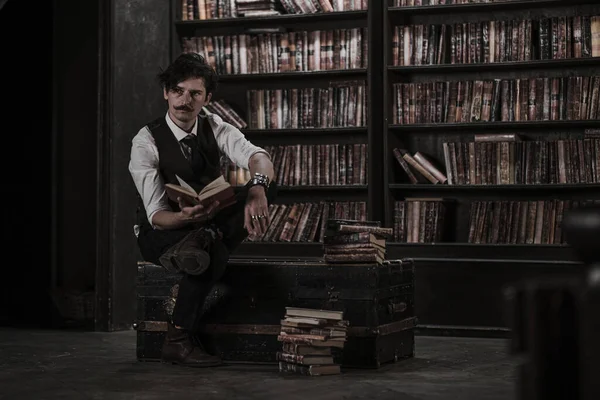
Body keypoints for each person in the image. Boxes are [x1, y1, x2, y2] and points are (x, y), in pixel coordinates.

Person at [129, 52, 276, 367]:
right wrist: (182, 217)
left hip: (207, 223)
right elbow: (156, 214)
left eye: (195, 93)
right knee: (213, 255)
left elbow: (257, 156)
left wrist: (259, 186)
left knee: (262, 186)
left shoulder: (216, 126)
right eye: (179, 91)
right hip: (162, 233)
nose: (185, 100)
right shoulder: (146, 141)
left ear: (207, 98)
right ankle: (177, 339)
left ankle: (205, 236)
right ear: (166, 92)